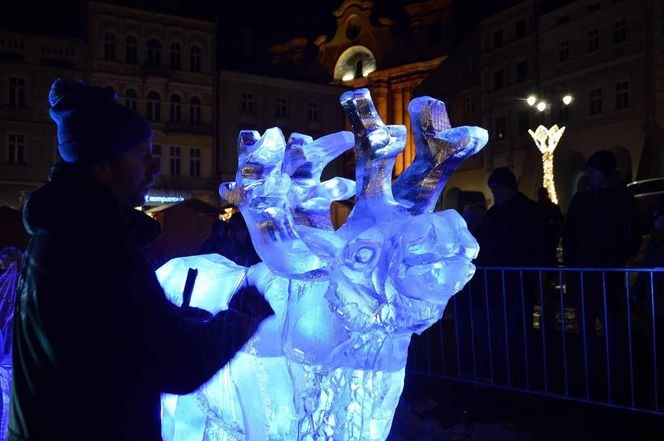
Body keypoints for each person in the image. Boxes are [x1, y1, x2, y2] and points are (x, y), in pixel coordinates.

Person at [8, 78, 273, 440]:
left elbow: (103, 339)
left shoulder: (54, 234)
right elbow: (178, 364)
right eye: (142, 155)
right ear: (103, 166)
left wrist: (175, 319)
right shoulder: (100, 248)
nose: (154, 168)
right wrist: (241, 320)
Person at [562, 149, 641, 401]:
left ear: (604, 173)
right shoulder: (583, 200)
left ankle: (616, 378)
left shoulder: (620, 199)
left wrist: (616, 255)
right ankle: (591, 375)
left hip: (607, 274)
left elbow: (632, 234)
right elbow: (570, 235)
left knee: (612, 327)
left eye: (594, 170)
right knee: (587, 328)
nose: (589, 174)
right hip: (586, 275)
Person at [536, 187, 564, 265]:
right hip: (547, 236)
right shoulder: (553, 207)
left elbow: (560, 220)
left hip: (549, 237)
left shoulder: (536, 208)